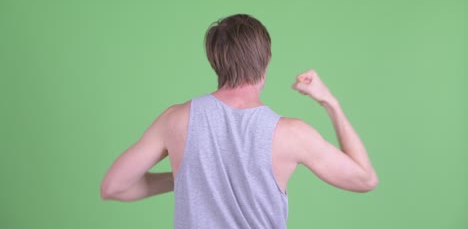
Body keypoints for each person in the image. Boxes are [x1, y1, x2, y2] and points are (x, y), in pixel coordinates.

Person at [100, 14, 379, 228]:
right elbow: (365, 179)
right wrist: (330, 102)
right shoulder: (292, 134)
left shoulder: (175, 120)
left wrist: (183, 178)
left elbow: (114, 186)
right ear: (266, 61)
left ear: (214, 61)